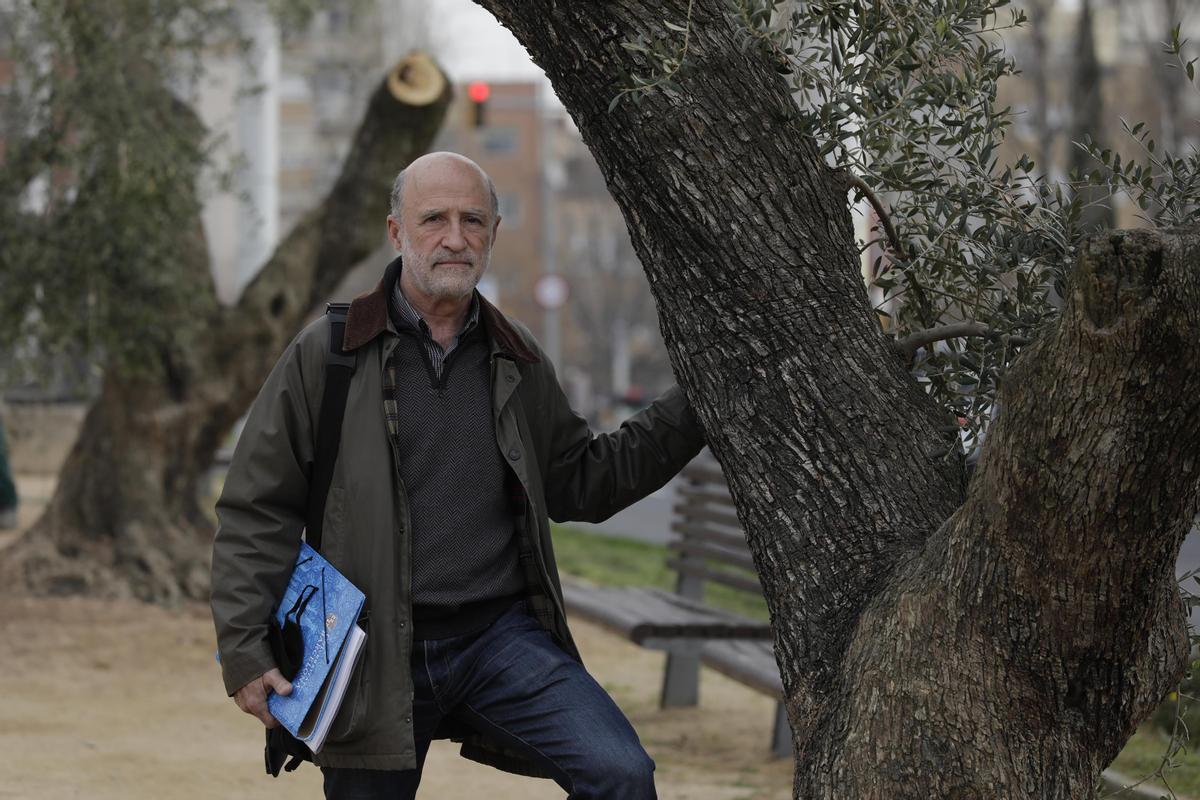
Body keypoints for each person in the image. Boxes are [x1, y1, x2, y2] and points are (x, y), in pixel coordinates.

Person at [210, 151, 705, 799]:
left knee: (621, 773)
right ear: (397, 232)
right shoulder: (330, 355)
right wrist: (247, 650)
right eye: (434, 219)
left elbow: (584, 481)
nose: (454, 238)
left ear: (494, 234)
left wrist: (700, 398)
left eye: (473, 220)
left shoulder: (517, 357)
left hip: (497, 642)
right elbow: (257, 509)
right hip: (368, 650)